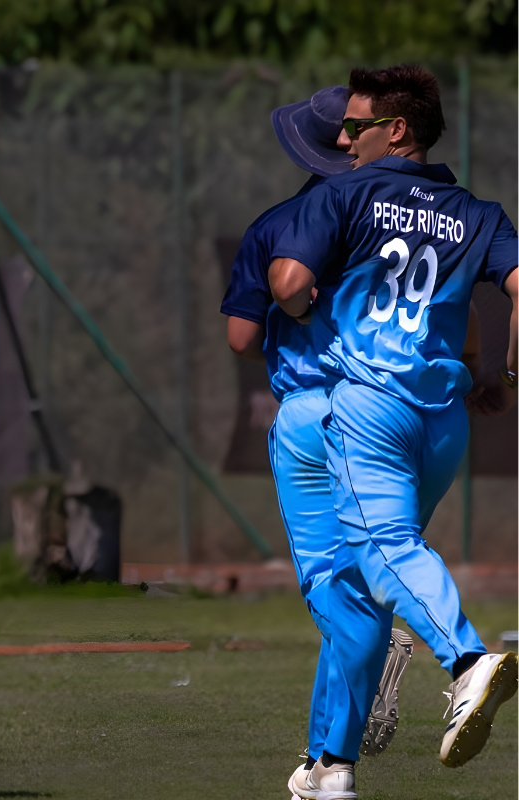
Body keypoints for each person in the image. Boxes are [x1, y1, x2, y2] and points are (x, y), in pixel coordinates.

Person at [270, 63, 518, 798]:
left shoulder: (345, 193)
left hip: (370, 409)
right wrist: (506, 372)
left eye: (355, 127)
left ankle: (467, 661)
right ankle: (330, 764)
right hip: (441, 425)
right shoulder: (478, 212)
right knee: (359, 582)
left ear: (396, 130)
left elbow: (287, 283)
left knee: (382, 555)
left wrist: (304, 308)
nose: (344, 141)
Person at [221, 86, 416, 797]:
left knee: (332, 587)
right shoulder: (409, 223)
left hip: (313, 412)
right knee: (364, 573)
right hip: (394, 410)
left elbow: (241, 337)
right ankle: (323, 763)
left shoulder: (278, 224)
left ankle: (377, 644)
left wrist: (291, 327)